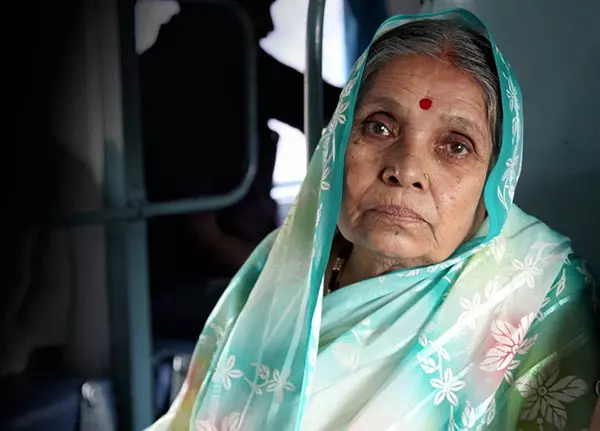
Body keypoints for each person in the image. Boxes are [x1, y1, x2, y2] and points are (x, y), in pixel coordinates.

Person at [146, 9, 599, 430]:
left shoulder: (538, 293)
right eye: (379, 127)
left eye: (455, 146)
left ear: (494, 180)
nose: (405, 169)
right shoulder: (281, 263)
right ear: (339, 142)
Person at [140, 0, 341, 339]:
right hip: (196, 282)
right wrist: (289, 274)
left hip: (214, 270)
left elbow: (326, 106)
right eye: (260, 10)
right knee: (333, 311)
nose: (270, 27)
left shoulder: (198, 60)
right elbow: (206, 237)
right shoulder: (217, 60)